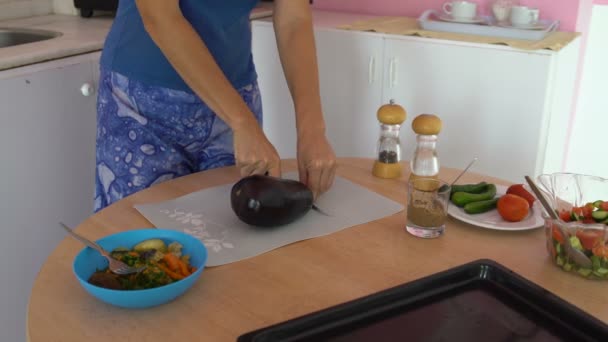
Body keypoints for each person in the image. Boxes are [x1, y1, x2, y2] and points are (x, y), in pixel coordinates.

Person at [94, 0, 337, 212]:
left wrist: (312, 131)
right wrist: (242, 123)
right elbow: (160, 16)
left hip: (234, 98)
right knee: (139, 245)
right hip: (141, 104)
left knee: (232, 235)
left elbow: (294, 18)